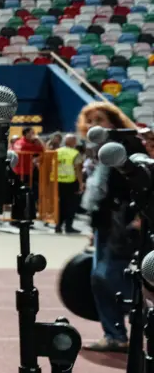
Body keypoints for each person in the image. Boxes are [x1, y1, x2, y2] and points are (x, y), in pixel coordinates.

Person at [79, 102, 139, 351]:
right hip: (103, 223)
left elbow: (140, 184)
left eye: (100, 119)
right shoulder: (93, 153)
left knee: (108, 275)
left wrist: (139, 217)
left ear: (114, 122)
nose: (94, 125)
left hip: (125, 223)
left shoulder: (127, 146)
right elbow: (96, 195)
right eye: (90, 121)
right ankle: (114, 335)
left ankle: (136, 318)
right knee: (98, 279)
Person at [55, 132, 83, 234]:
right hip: (71, 183)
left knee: (60, 205)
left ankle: (58, 226)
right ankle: (68, 227)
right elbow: (78, 170)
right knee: (71, 206)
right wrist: (81, 183)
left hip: (58, 182)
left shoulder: (56, 151)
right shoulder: (75, 153)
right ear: (73, 142)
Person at [11, 126, 45, 191]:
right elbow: (43, 149)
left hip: (17, 171)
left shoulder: (18, 142)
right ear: (27, 134)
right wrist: (39, 139)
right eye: (32, 133)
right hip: (25, 172)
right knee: (27, 191)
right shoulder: (26, 145)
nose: (34, 135)